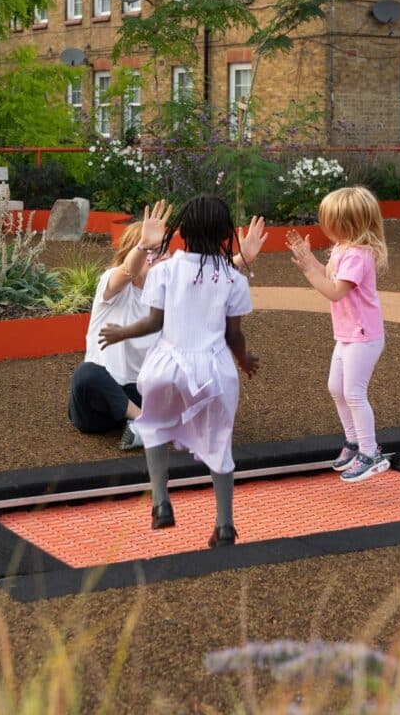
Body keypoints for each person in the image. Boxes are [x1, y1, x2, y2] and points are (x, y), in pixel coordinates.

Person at [99, 194, 258, 548]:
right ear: (223, 233)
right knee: (220, 444)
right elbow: (234, 334)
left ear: (182, 230)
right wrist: (244, 359)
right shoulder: (233, 278)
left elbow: (154, 322)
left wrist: (122, 331)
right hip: (214, 370)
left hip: (167, 365)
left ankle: (161, 503)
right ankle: (225, 526)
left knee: (153, 427)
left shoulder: (166, 271)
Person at [68, 200, 267, 451]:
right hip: (97, 407)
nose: (167, 258)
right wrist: (143, 245)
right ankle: (149, 422)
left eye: (166, 252)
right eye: (159, 252)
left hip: (140, 394)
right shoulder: (113, 285)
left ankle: (142, 423)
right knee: (86, 374)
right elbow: (127, 271)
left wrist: (242, 259)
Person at [286, 185, 390, 484]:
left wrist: (308, 270)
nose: (324, 225)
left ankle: (371, 454)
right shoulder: (344, 249)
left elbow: (334, 291)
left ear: (347, 224)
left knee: (354, 393)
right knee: (336, 387)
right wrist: (311, 262)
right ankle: (355, 442)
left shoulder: (358, 255)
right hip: (347, 334)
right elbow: (330, 276)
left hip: (364, 335)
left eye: (329, 220)